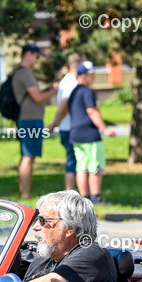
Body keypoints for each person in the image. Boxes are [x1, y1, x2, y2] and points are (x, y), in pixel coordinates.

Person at [23, 190, 117, 282]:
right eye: (37, 219)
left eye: (43, 220)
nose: (35, 226)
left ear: (70, 228)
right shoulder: (44, 259)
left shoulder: (92, 253)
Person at [11, 43, 58, 200]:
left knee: (27, 156)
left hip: (27, 118)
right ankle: (25, 195)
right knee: (28, 156)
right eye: (36, 56)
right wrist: (54, 89)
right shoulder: (24, 73)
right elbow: (37, 97)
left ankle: (24, 192)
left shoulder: (20, 72)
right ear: (28, 54)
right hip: (30, 119)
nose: (37, 60)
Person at [64, 61, 115, 205]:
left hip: (75, 134)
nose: (93, 78)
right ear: (84, 76)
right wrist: (104, 128)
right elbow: (91, 111)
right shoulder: (87, 91)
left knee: (81, 166)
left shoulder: (74, 91)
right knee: (95, 166)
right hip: (89, 135)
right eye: (92, 75)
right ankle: (96, 197)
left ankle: (84, 198)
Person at [47, 53, 83, 190]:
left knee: (74, 160)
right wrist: (55, 122)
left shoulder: (68, 80)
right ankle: (70, 193)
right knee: (73, 161)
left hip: (68, 127)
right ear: (78, 64)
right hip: (68, 128)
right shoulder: (71, 82)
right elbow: (64, 105)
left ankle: (72, 192)